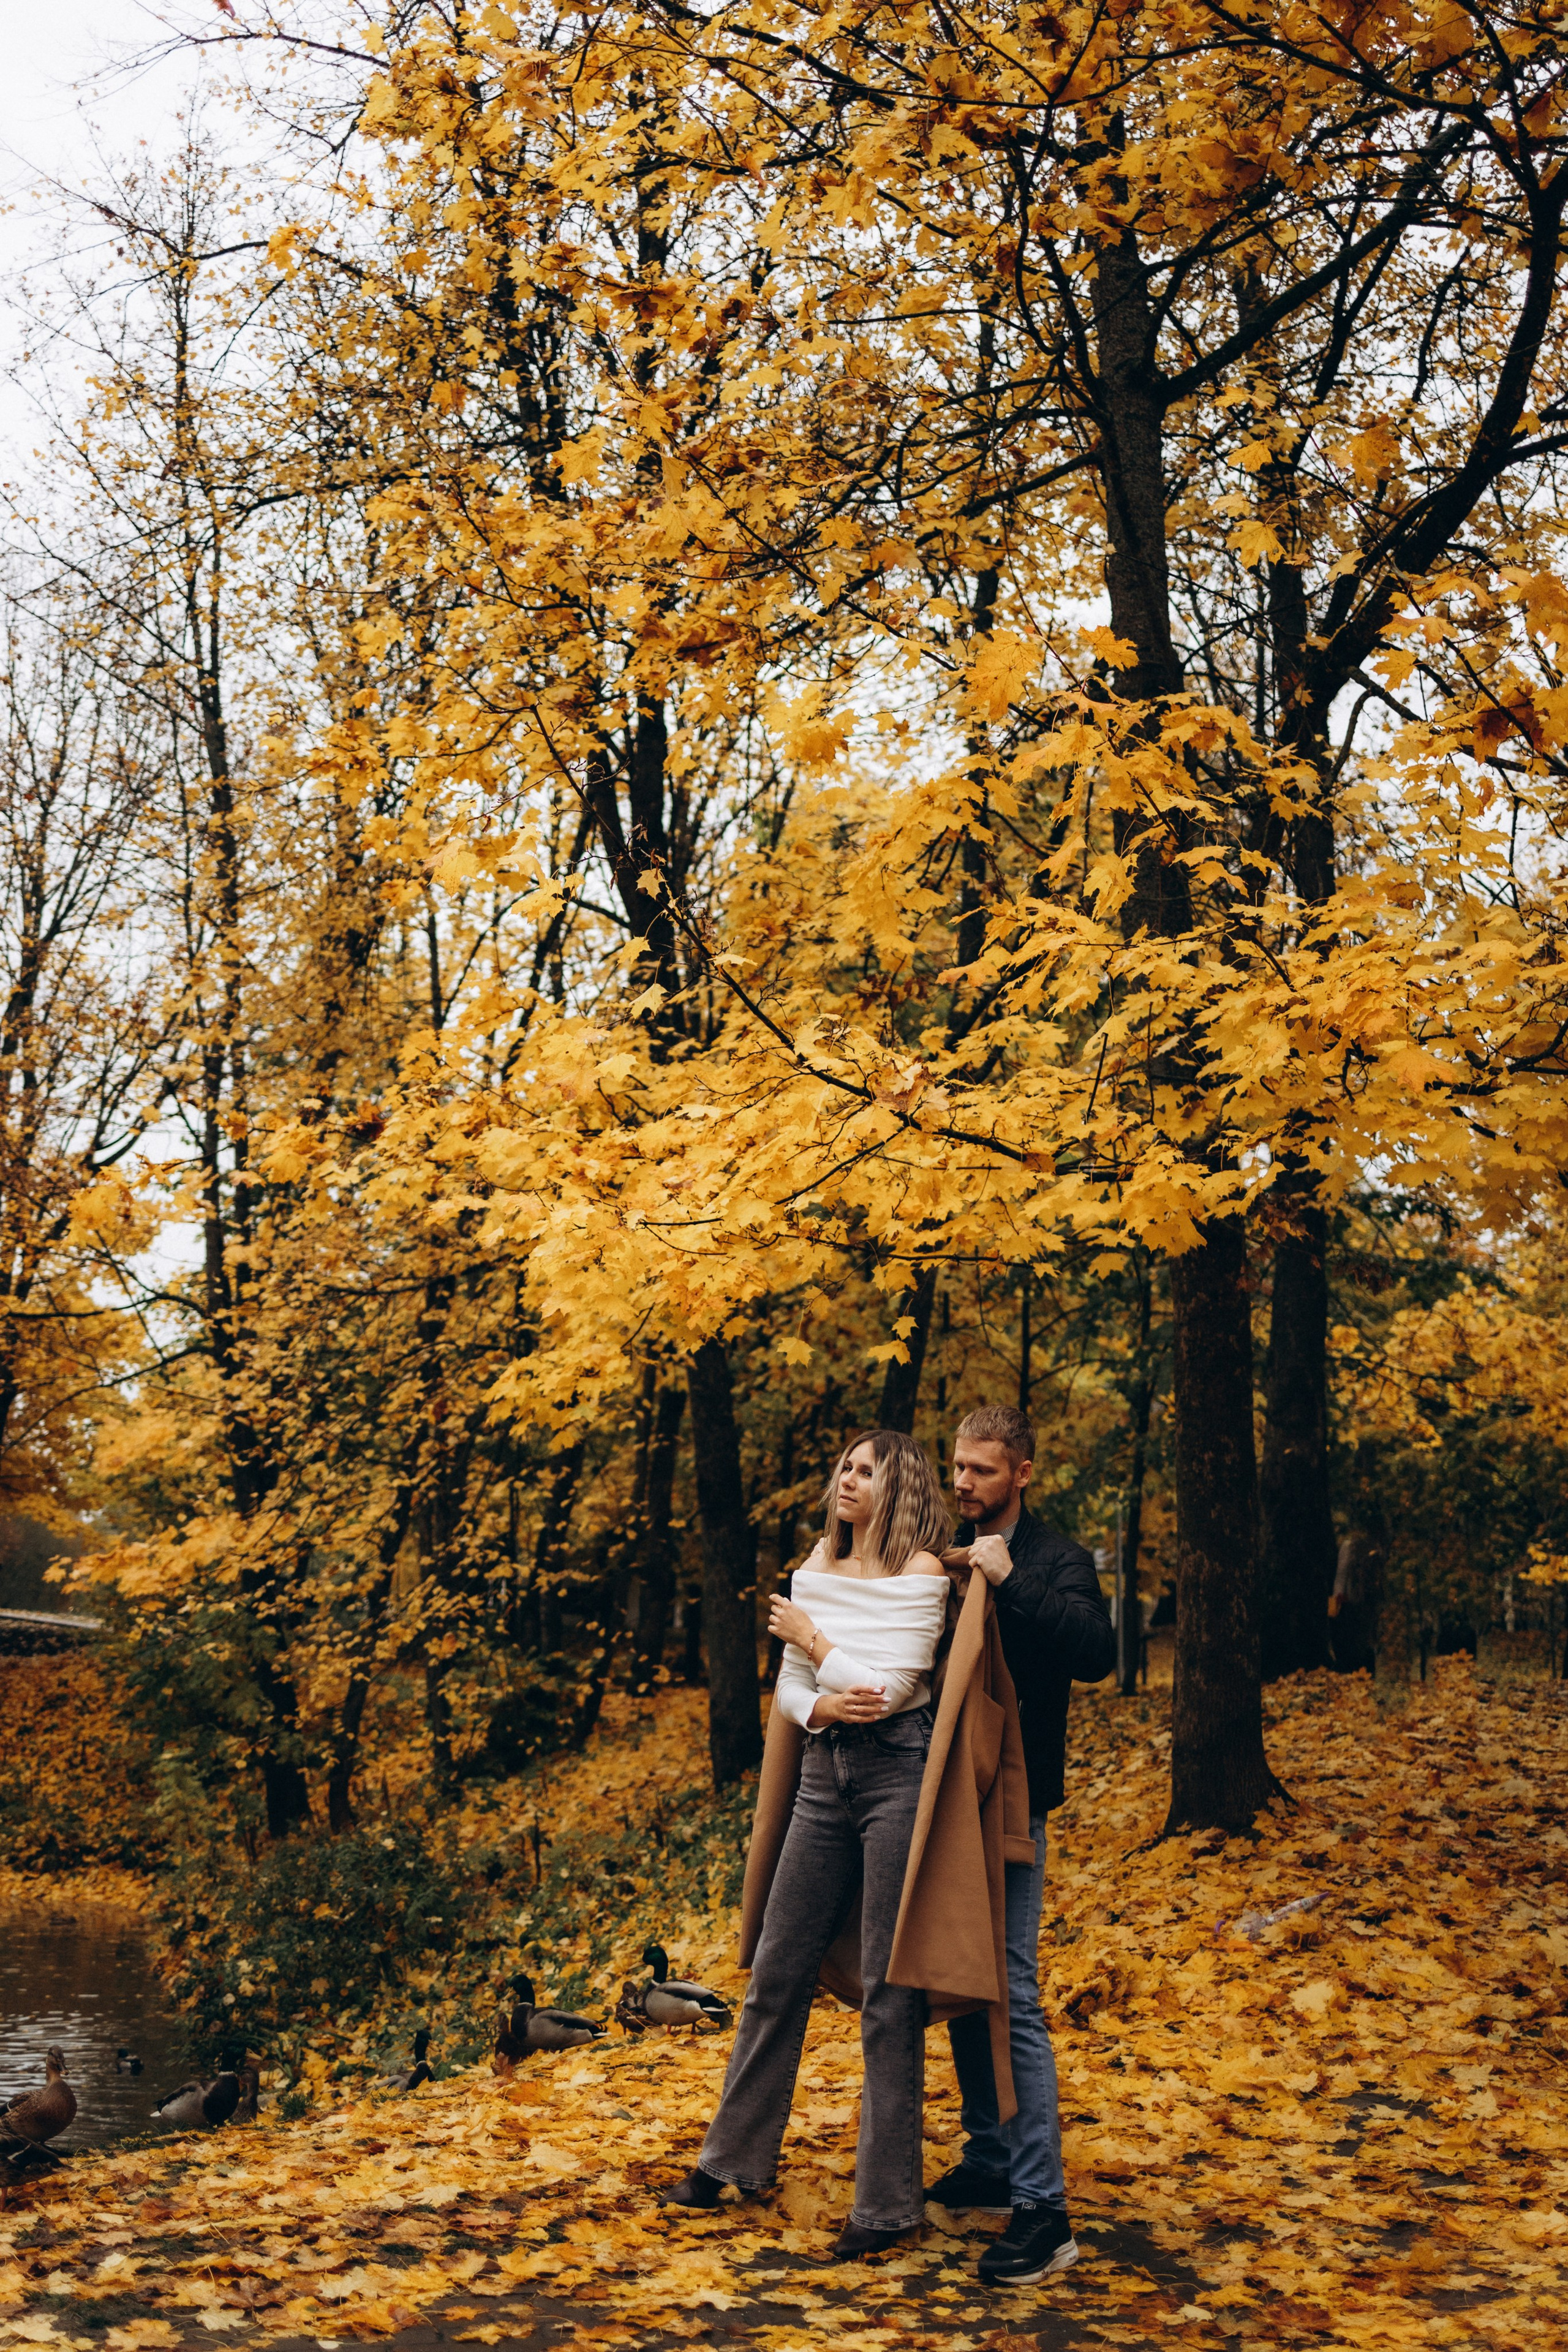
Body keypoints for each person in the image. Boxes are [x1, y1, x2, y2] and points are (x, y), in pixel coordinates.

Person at [666, 1428, 952, 2256]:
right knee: (777, 1968)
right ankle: (730, 2163)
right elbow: (797, 1693)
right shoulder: (818, 1567)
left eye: (867, 1471)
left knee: (889, 1990)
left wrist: (816, 1641)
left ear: (899, 1487)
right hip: (824, 1776)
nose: (848, 1482)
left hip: (898, 1775)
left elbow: (889, 1690)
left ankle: (887, 2209)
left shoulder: (922, 1573)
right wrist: (823, 1702)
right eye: (844, 1469)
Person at [927, 1404, 1114, 2286]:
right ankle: (992, 2156)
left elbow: (1096, 1653)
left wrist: (1010, 1581)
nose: (964, 1483)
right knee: (963, 1977)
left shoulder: (1056, 1560)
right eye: (958, 1467)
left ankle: (1046, 2213)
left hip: (1014, 1806)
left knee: (1012, 1989)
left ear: (1023, 1474)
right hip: (943, 1799)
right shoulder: (943, 1553)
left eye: (983, 1470)